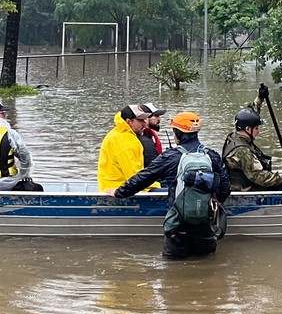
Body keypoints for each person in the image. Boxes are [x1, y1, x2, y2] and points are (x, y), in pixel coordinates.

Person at [112, 111, 231, 259]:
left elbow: (143, 178)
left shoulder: (170, 157)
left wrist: (119, 192)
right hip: (205, 226)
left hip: (177, 226)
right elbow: (225, 189)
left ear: (177, 133)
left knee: (173, 273)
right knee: (207, 267)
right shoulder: (212, 156)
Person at [222, 105, 282, 191]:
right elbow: (259, 177)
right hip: (245, 189)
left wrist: (260, 98)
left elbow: (250, 112)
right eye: (256, 128)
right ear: (247, 129)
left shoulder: (234, 136)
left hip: (243, 182)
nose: (259, 131)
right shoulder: (242, 151)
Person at [98, 104, 156, 193]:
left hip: (111, 186)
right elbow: (133, 176)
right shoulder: (125, 141)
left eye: (145, 120)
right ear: (128, 121)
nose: (145, 123)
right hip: (120, 190)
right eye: (140, 120)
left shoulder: (117, 133)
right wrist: (156, 185)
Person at [137, 101, 166, 166]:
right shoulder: (144, 140)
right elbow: (151, 166)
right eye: (156, 116)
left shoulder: (148, 135)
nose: (159, 119)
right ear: (146, 118)